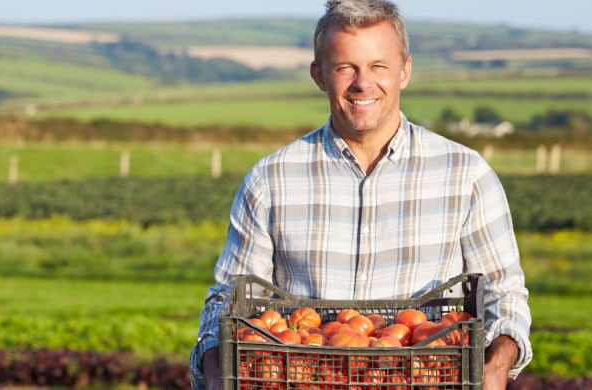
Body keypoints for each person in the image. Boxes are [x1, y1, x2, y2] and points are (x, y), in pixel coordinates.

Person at [187, 1, 532, 389]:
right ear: (319, 75)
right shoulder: (271, 180)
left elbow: (503, 296)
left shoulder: (465, 175)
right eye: (344, 67)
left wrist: (497, 363)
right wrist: (217, 371)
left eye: (378, 66)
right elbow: (227, 301)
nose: (362, 84)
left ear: (405, 71)